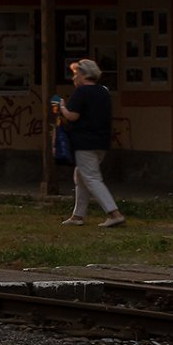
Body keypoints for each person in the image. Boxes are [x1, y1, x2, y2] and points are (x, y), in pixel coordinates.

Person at [55, 58, 124, 227]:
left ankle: (114, 213)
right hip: (101, 141)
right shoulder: (104, 91)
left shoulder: (81, 92)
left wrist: (62, 107)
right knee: (81, 176)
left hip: (84, 142)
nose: (73, 78)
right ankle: (78, 215)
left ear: (84, 74)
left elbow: (73, 116)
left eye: (75, 74)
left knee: (92, 178)